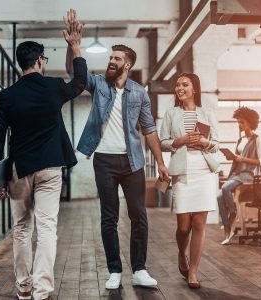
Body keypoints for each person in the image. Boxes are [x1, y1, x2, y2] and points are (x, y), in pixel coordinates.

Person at [64, 10, 169, 290]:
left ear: (128, 65)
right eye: (110, 58)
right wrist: (74, 46)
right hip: (104, 161)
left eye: (116, 59)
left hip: (132, 162)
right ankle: (113, 270)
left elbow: (149, 130)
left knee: (139, 215)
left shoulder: (139, 93)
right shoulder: (99, 84)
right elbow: (75, 74)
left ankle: (139, 269)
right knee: (109, 216)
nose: (111, 62)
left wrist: (160, 162)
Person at [0, 16, 86, 300]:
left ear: (21, 63)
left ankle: (23, 288)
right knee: (46, 229)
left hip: (19, 170)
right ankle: (42, 292)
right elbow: (79, 83)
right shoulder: (54, 87)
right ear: (40, 61)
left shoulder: (7, 96)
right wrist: (75, 47)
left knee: (21, 229)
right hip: (50, 169)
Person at [159, 73, 219, 289]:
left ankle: (193, 270)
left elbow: (216, 144)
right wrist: (181, 140)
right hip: (182, 173)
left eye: (185, 85)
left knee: (199, 223)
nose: (180, 88)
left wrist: (204, 142)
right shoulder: (171, 113)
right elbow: (163, 141)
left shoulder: (207, 112)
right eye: (177, 85)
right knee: (184, 226)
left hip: (203, 171)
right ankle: (181, 253)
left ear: (195, 89)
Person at [217, 107, 261, 245]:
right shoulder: (241, 139)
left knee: (225, 188)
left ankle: (233, 212)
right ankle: (228, 229)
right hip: (237, 173)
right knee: (219, 196)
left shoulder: (258, 140)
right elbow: (238, 158)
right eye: (238, 122)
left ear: (250, 122)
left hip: (249, 175)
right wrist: (232, 157)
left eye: (242, 122)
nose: (239, 125)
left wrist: (241, 159)